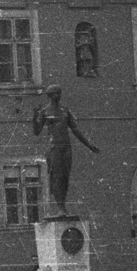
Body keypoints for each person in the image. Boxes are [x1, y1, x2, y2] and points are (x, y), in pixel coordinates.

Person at [31, 84, 100, 216]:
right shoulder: (44, 111)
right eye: (56, 93)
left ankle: (63, 205)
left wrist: (88, 144)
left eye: (59, 93)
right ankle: (60, 207)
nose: (58, 95)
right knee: (57, 177)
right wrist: (35, 116)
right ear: (50, 95)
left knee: (65, 177)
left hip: (66, 147)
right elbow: (36, 131)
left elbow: (75, 129)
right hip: (54, 147)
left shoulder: (65, 110)